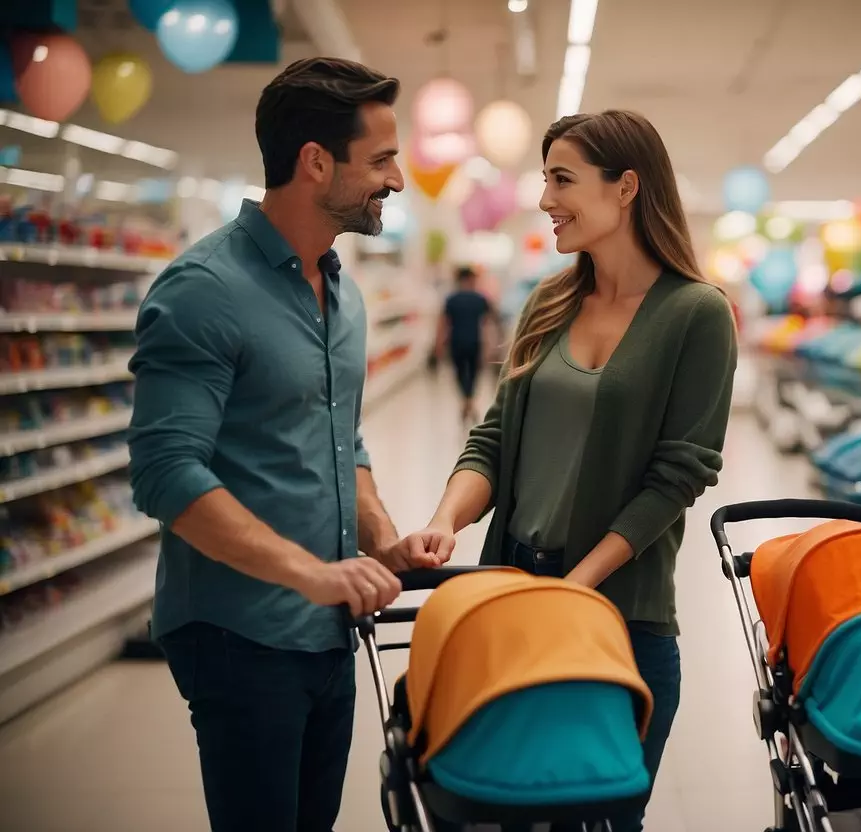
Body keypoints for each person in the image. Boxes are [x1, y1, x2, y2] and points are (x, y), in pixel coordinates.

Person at [126, 57, 443, 832]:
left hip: (327, 629)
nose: (397, 180)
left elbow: (343, 439)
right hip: (240, 633)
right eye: (380, 160)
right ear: (314, 162)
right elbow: (166, 476)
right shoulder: (203, 290)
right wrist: (312, 575)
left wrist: (381, 544)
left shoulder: (341, 292)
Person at [402, 110, 739, 832]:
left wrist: (574, 588)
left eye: (562, 179)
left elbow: (676, 478)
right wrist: (445, 520)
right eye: (544, 179)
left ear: (625, 188)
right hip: (512, 602)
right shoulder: (548, 302)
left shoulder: (696, 314)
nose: (546, 199)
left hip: (621, 622)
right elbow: (494, 438)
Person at [436, 265, 495, 421]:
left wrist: (439, 345)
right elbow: (487, 324)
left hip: (456, 342)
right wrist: (489, 346)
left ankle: (466, 401)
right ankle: (469, 401)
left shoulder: (451, 299)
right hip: (475, 342)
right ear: (471, 279)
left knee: (460, 373)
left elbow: (443, 324)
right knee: (475, 374)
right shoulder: (481, 299)